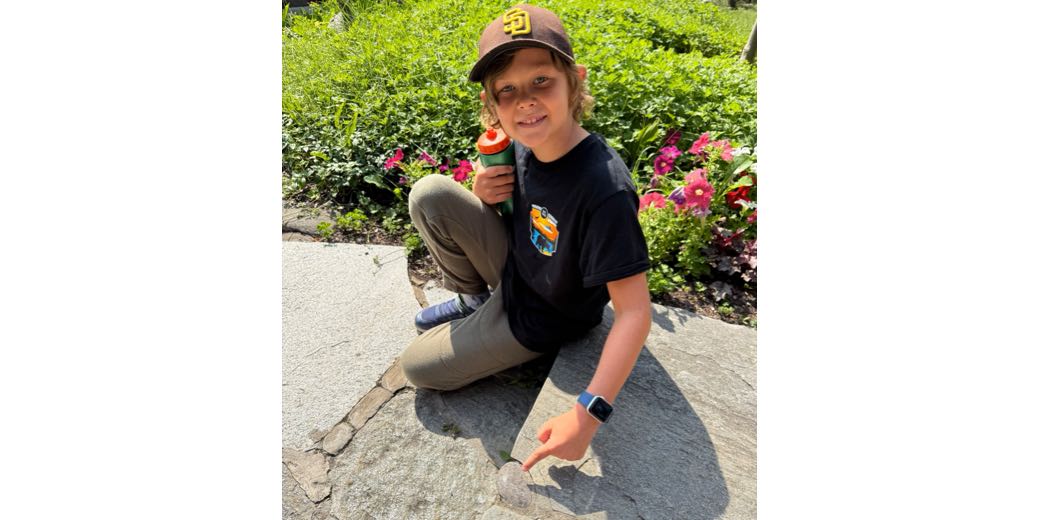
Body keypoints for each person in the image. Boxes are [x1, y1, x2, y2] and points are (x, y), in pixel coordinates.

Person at [400, 4, 652, 474]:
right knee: (430, 193)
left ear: (574, 81)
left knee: (416, 368)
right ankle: (476, 302)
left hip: (544, 316)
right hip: (517, 267)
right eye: (507, 91)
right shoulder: (522, 142)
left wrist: (586, 415)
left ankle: (520, 354)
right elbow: (529, 214)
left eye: (541, 81)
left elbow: (635, 312)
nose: (525, 102)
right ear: (492, 104)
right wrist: (484, 192)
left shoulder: (604, 189)